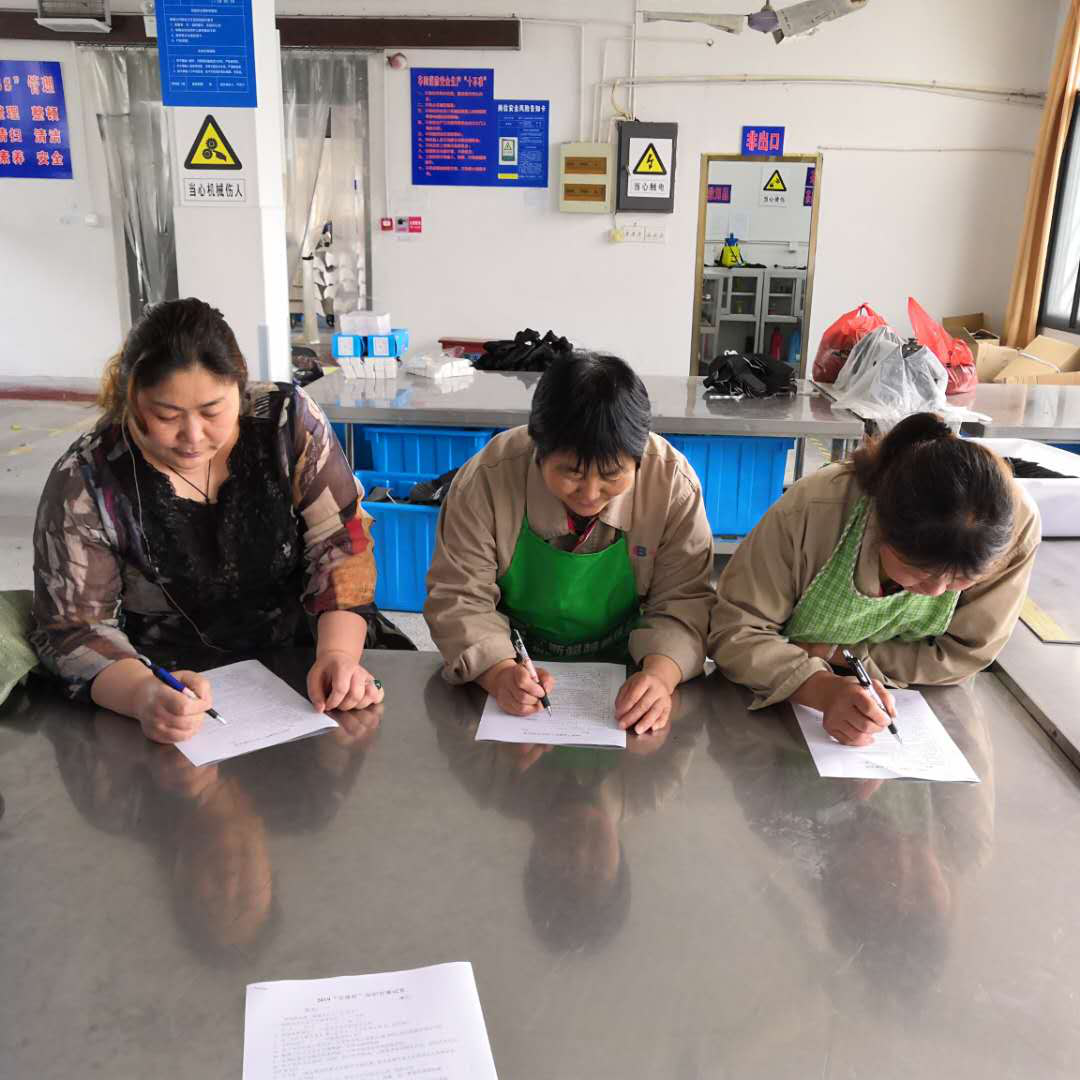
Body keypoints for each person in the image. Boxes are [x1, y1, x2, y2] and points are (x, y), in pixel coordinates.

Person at [32, 297, 385, 743]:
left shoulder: (285, 423)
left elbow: (341, 545)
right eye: (166, 416)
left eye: (213, 411)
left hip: (306, 664)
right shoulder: (89, 478)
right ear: (130, 400)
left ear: (239, 386)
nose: (193, 437)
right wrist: (142, 695)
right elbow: (75, 629)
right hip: (169, 682)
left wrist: (338, 656)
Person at [424, 351, 715, 734]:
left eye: (611, 475)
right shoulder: (485, 481)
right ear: (539, 451)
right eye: (571, 474)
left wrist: (660, 677)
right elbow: (459, 597)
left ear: (638, 458)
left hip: (631, 671)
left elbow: (685, 600)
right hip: (515, 663)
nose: (590, 494)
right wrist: (499, 673)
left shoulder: (671, 484)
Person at [709, 412, 1040, 745]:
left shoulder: (1013, 529)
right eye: (918, 572)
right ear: (879, 527)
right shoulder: (816, 509)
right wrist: (820, 688)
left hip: (912, 698)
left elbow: (965, 654)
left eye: (959, 580)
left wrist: (837, 653)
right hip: (778, 701)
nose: (935, 591)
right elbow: (736, 630)